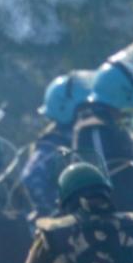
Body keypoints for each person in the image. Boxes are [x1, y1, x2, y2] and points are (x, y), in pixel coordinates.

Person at [73, 60, 133, 213]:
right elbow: (101, 186)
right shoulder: (95, 129)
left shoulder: (109, 125)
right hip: (114, 228)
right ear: (122, 93)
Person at [22, 72, 92, 217]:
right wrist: (62, 211)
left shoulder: (81, 138)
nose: (89, 113)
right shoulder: (52, 146)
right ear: (66, 109)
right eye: (84, 108)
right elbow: (31, 177)